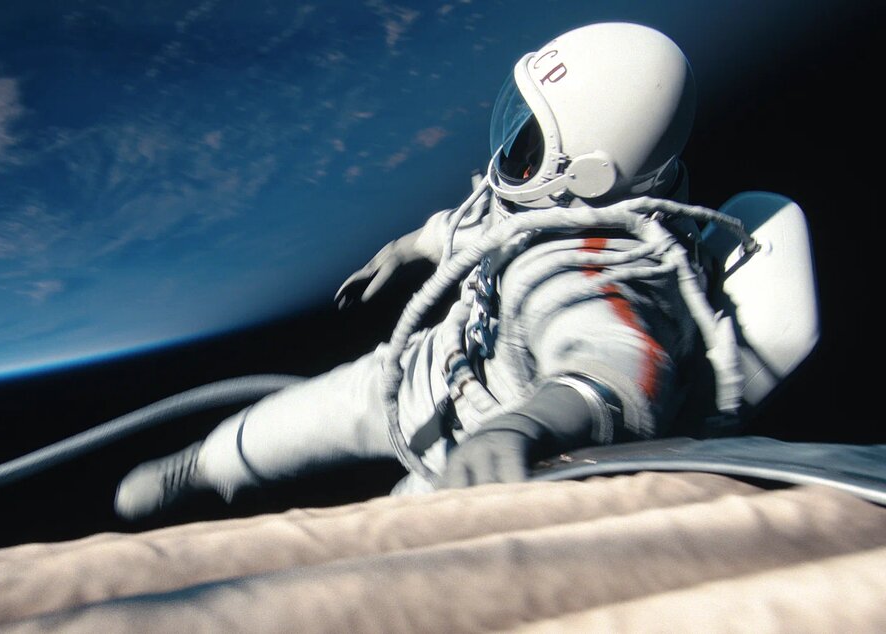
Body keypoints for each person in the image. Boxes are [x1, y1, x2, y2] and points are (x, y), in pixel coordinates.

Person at [115, 21, 736, 520]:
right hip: (438, 365)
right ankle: (207, 465)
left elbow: (620, 368)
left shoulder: (593, 270)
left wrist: (525, 426)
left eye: (531, 144)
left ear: (591, 174)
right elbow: (475, 223)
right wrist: (405, 248)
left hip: (493, 434)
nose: (514, 152)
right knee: (304, 415)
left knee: (395, 538)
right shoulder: (548, 200)